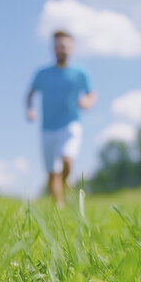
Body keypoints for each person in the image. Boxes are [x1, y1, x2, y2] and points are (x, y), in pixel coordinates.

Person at [26, 30, 97, 207]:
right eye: (57, 46)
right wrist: (30, 110)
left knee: (66, 160)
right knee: (51, 172)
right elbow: (30, 94)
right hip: (47, 128)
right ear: (53, 49)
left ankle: (64, 184)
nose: (61, 49)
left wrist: (87, 102)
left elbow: (91, 94)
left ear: (71, 49)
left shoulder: (80, 73)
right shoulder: (42, 74)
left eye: (64, 46)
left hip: (70, 123)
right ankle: (58, 206)